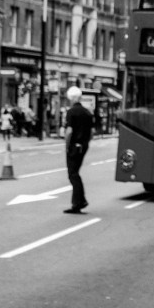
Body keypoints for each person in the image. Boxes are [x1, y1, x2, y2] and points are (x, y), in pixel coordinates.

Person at [63, 86, 94, 214]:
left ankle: (78, 203)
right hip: (83, 146)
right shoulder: (87, 112)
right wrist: (85, 142)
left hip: (74, 145)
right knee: (75, 172)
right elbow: (92, 132)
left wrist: (67, 145)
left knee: (73, 174)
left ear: (72, 98)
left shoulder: (71, 112)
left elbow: (69, 131)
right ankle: (80, 200)